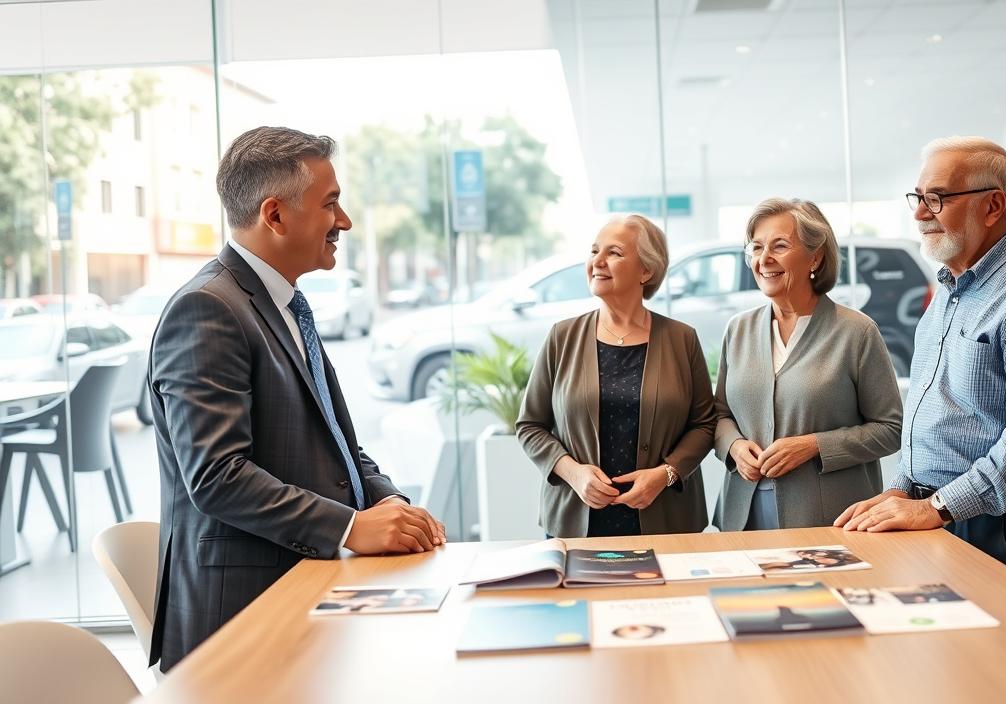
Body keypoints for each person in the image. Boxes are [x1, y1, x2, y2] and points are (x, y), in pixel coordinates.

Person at [148, 126, 445, 671]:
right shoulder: (207, 309)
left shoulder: (284, 304)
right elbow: (216, 476)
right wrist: (352, 528)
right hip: (240, 620)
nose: (344, 221)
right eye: (330, 203)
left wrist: (387, 503)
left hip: (308, 589)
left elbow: (333, 440)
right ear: (276, 215)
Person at [835, 136, 1006, 591]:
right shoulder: (951, 289)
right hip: (937, 512)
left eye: (937, 198)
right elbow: (937, 408)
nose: (920, 213)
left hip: (1000, 525)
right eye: (918, 197)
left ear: (992, 206)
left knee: (1001, 641)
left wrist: (936, 506)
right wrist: (903, 488)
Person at [518, 215, 716, 537]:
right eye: (594, 251)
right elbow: (530, 425)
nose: (597, 261)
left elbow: (705, 424)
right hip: (575, 521)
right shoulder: (562, 337)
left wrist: (665, 475)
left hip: (666, 519)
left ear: (646, 270)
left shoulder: (682, 339)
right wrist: (574, 473)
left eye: (614, 253)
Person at [714, 198, 902, 531]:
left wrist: (813, 446)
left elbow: (891, 430)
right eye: (756, 247)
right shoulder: (738, 329)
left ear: (815, 256)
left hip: (830, 519)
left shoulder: (856, 331)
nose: (764, 259)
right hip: (743, 516)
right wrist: (734, 446)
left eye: (779, 246)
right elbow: (720, 414)